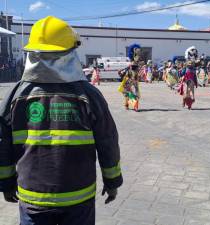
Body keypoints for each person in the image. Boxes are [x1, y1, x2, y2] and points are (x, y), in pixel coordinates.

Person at [0, 16, 123, 225]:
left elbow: (2, 143)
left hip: (33, 197)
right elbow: (107, 140)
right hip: (79, 197)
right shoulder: (88, 95)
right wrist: (112, 181)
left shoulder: (15, 96)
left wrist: (6, 183)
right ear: (70, 54)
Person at [118, 44, 141, 111]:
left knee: (133, 92)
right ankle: (128, 105)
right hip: (129, 77)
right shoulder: (133, 60)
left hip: (134, 78)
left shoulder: (136, 59)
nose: (138, 52)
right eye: (136, 50)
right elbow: (130, 67)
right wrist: (122, 71)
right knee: (128, 92)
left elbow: (135, 63)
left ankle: (132, 105)